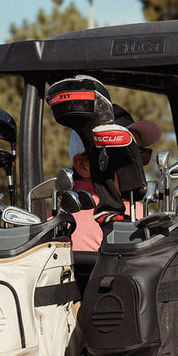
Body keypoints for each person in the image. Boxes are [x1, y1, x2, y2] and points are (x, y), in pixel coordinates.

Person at [68, 104, 162, 251]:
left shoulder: (54, 219)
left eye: (140, 155)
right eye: (123, 154)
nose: (135, 166)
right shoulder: (135, 215)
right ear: (83, 165)